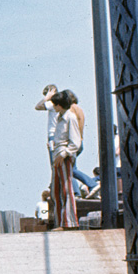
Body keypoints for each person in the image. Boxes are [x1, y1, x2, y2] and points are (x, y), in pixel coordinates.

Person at [37, 85, 94, 196]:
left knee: (61, 167)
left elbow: (38, 106)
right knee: (71, 168)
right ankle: (77, 192)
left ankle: (89, 185)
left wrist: (47, 97)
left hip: (61, 140)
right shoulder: (77, 109)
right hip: (74, 140)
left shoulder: (56, 106)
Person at [50, 89, 81, 228]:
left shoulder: (70, 117)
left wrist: (65, 153)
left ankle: (70, 222)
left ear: (59, 105)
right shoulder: (60, 118)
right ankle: (60, 222)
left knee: (67, 190)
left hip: (64, 155)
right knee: (56, 190)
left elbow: (76, 142)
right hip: (57, 154)